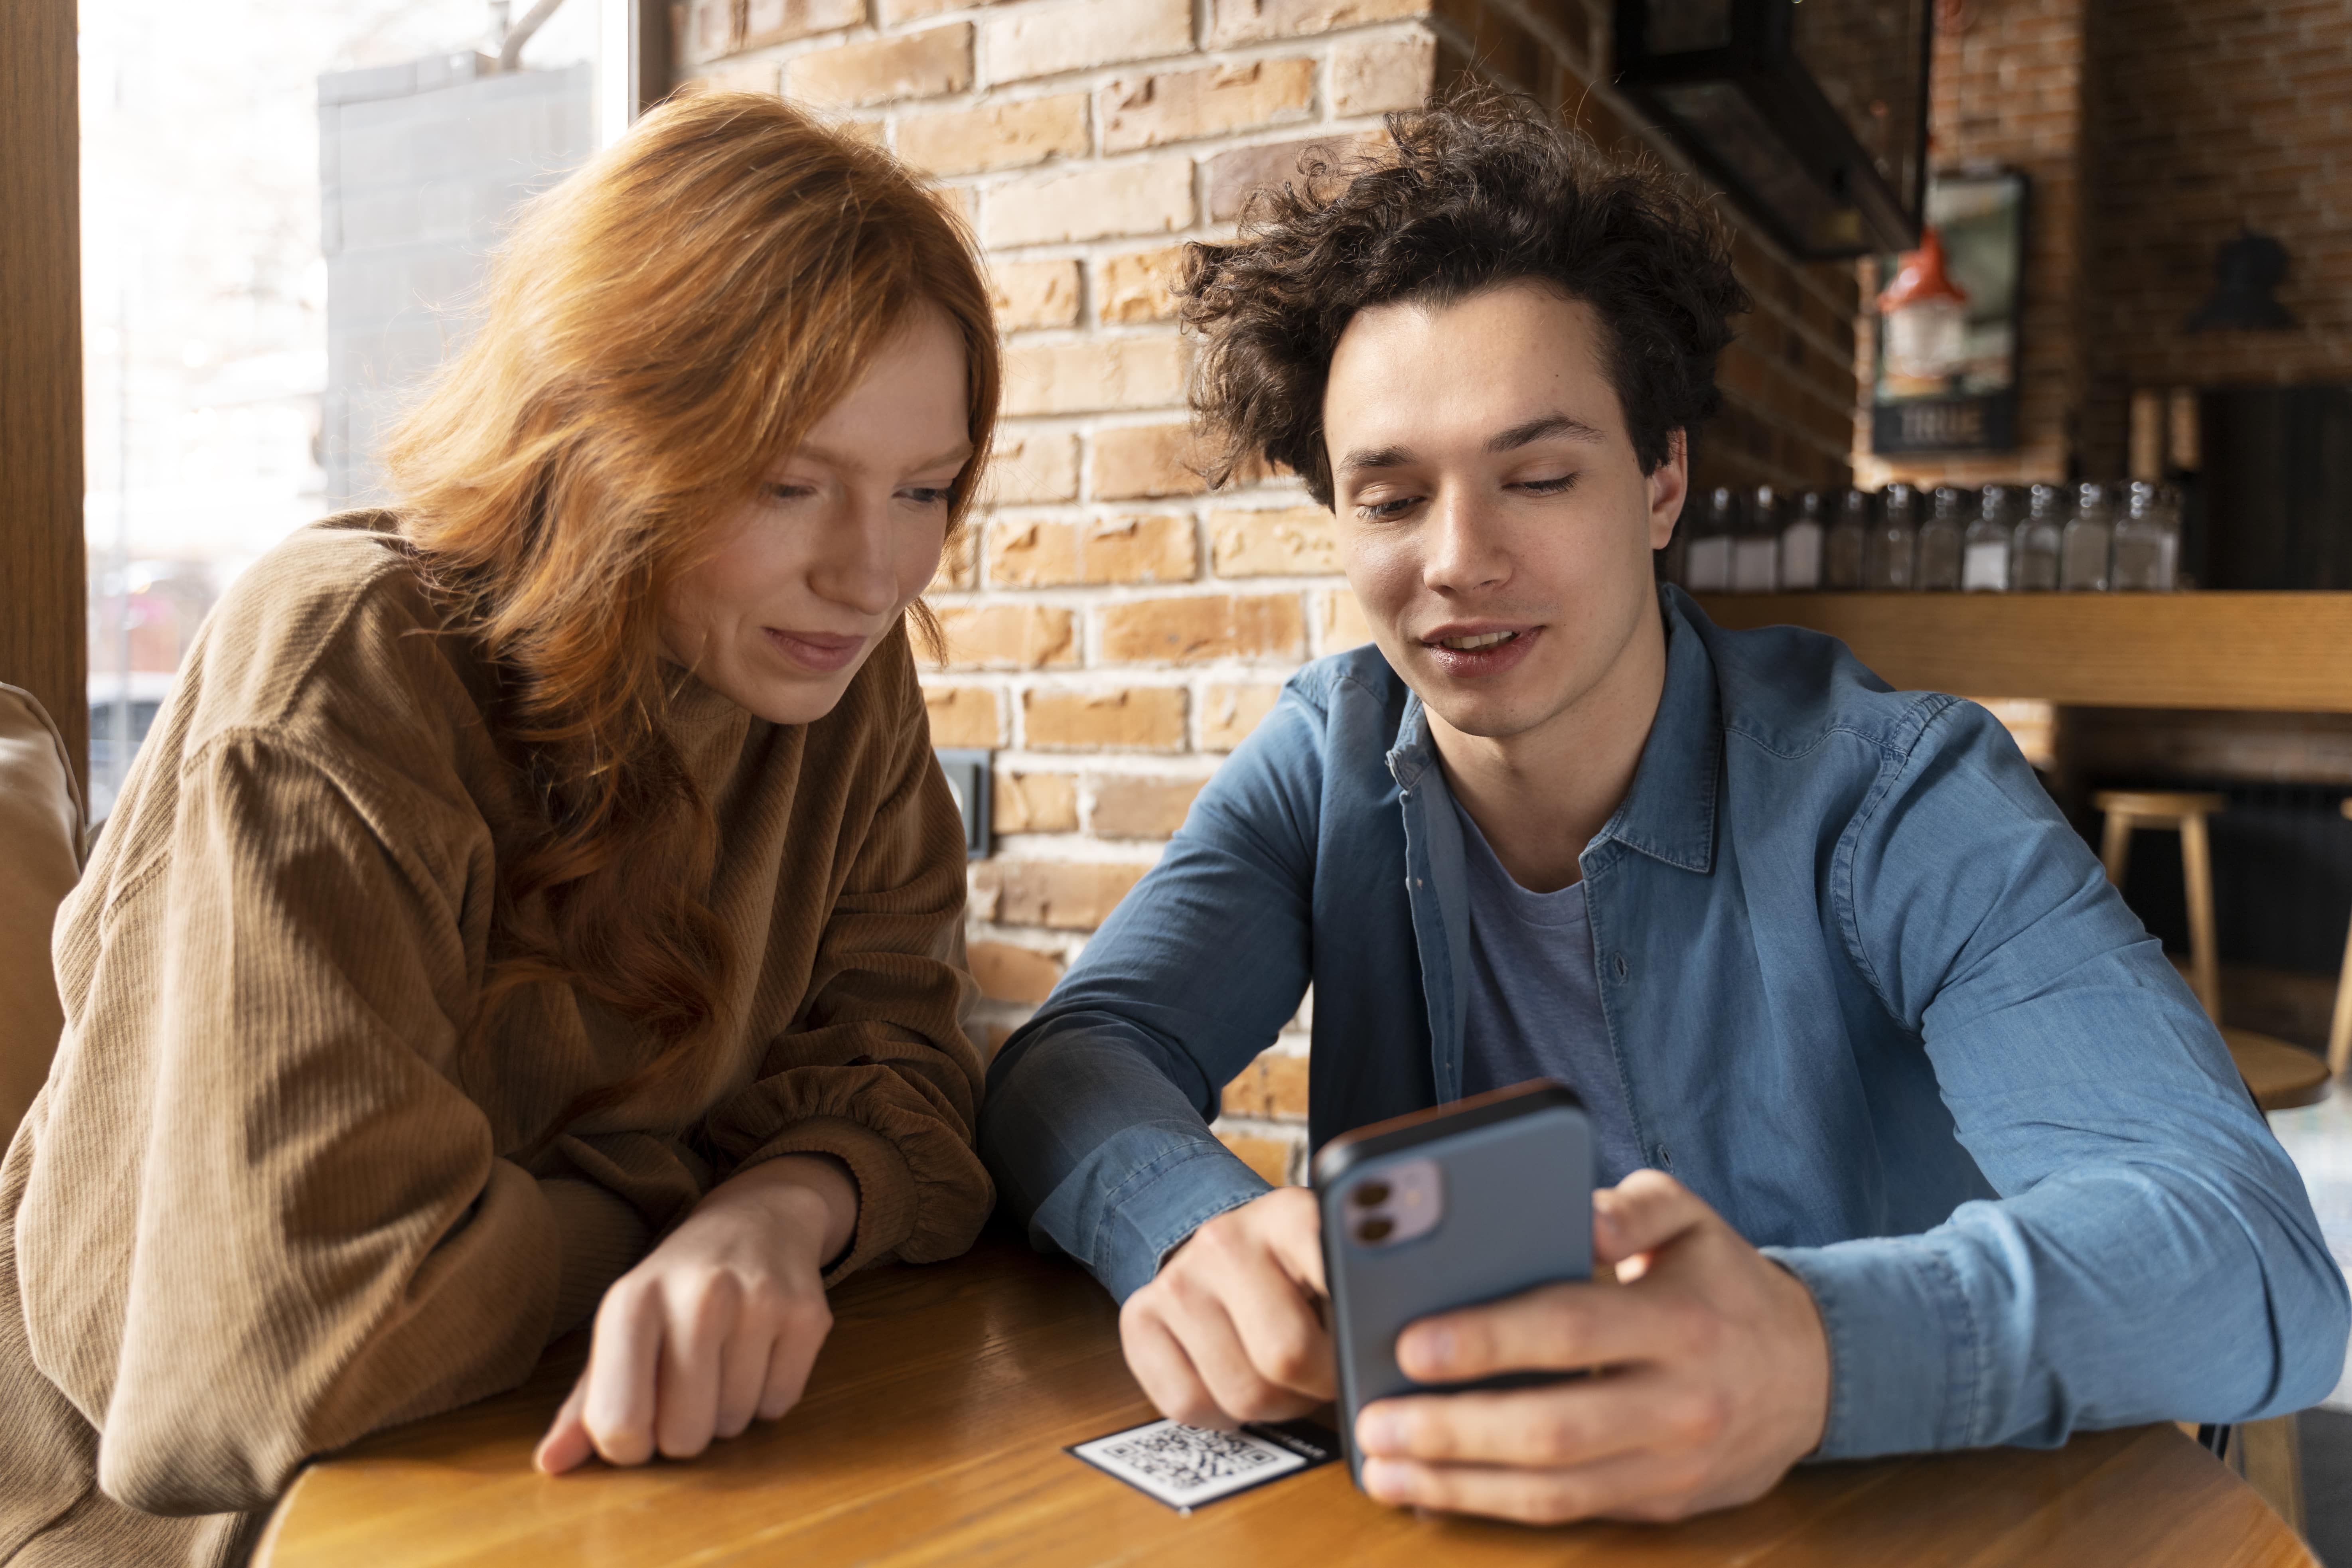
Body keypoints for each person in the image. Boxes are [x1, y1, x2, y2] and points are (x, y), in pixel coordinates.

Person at [979, 90, 2349, 1527]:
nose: (1458, 560)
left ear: (1661, 481)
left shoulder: (1894, 788)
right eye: (1390, 499)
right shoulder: (1330, 754)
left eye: (1540, 475)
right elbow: (1077, 1058)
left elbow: (2251, 1255)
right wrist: (1193, 1230)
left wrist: (1812, 1350)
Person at [2, 93, 998, 1566]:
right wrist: (684, 1206)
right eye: (790, 483)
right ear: (604, 438)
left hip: (586, 1449)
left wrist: (778, 1209)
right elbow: (286, 1349)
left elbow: (909, 1065)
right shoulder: (344, 660)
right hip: (187, 1528)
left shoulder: (829, 672)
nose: (873, 571)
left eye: (923, 490)